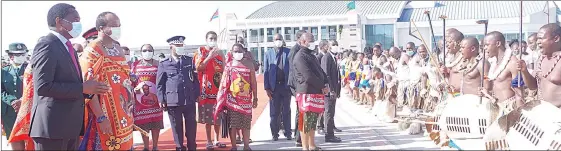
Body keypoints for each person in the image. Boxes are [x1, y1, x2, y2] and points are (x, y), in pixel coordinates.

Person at [30, 3, 110, 150]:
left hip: (69, 127)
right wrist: (82, 88)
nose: (78, 24)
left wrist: (90, 89)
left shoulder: (68, 48)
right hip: (52, 129)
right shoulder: (47, 45)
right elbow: (43, 87)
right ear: (59, 21)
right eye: (75, 19)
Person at [78, 11, 137, 150]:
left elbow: (125, 81)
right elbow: (89, 89)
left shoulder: (118, 49)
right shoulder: (92, 51)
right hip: (105, 115)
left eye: (119, 25)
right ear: (100, 28)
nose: (118, 29)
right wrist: (101, 117)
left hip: (124, 113)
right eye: (114, 25)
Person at [157, 36, 200, 151]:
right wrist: (162, 100)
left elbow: (195, 79)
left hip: (189, 99)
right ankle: (180, 147)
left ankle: (192, 147)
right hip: (173, 101)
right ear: (171, 47)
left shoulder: (189, 60)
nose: (181, 47)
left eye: (182, 45)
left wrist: (197, 94)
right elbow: (160, 84)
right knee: (176, 127)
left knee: (191, 126)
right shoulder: (164, 63)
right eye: (178, 46)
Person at [214, 44, 258, 151]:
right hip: (232, 101)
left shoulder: (250, 65)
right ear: (232, 53)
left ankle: (246, 146)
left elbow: (253, 82)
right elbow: (224, 84)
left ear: (244, 51)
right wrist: (221, 100)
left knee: (246, 124)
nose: (237, 53)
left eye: (239, 51)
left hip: (246, 101)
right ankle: (234, 146)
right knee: (232, 124)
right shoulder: (229, 66)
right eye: (235, 51)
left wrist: (255, 98)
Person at [293, 32, 327, 151]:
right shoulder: (300, 56)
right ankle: (305, 147)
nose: (313, 42)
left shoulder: (312, 55)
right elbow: (308, 76)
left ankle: (312, 144)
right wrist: (322, 85)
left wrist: (326, 82)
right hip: (306, 92)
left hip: (315, 91)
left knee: (312, 121)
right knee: (305, 121)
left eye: (313, 40)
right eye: (310, 40)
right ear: (303, 42)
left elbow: (320, 71)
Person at [193, 31, 227, 149]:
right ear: (206, 39)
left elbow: (224, 70)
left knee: (217, 116)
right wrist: (209, 56)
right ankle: (209, 141)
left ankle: (217, 139)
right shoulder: (200, 51)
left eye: (214, 38)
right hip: (205, 90)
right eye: (210, 38)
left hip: (218, 89)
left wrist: (221, 56)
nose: (212, 40)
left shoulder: (220, 52)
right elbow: (198, 67)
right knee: (208, 117)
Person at [479, 31, 524, 118]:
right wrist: (486, 93)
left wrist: (519, 116)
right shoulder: (494, 63)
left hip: (509, 109)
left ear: (498, 43)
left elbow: (519, 93)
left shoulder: (513, 62)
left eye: (487, 45)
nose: (484, 48)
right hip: (496, 107)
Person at [131, 44, 164, 151]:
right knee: (143, 124)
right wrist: (135, 87)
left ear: (153, 52)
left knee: (156, 124)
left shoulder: (158, 64)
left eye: (149, 50)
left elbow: (163, 81)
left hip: (155, 100)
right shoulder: (135, 65)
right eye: (144, 50)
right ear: (141, 52)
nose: (147, 52)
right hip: (140, 101)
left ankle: (155, 146)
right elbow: (130, 80)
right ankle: (146, 147)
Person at [263, 34, 292, 141]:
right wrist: (267, 87)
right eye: (276, 39)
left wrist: (291, 85)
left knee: (286, 111)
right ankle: (275, 133)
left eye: (279, 39)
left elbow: (291, 70)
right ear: (273, 41)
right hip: (273, 88)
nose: (278, 41)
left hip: (285, 86)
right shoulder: (268, 53)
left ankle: (288, 132)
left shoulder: (288, 52)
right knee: (274, 112)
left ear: (282, 40)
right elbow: (265, 72)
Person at [2, 43, 29, 150]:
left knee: (29, 139)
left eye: (23, 54)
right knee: (15, 139)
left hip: (27, 110)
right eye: (17, 54)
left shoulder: (31, 69)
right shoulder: (3, 72)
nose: (21, 56)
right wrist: (12, 101)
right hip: (10, 112)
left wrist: (22, 101)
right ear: (10, 56)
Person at [316, 40, 343, 143]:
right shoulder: (326, 57)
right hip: (329, 92)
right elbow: (326, 75)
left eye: (336, 44)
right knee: (328, 112)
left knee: (331, 113)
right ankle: (329, 135)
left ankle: (331, 133)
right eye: (333, 45)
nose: (335, 47)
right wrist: (330, 90)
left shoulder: (333, 57)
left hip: (334, 90)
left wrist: (337, 90)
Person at [288, 30, 307, 147]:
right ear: (300, 38)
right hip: (297, 85)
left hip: (301, 84)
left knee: (302, 111)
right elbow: (295, 70)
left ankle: (300, 136)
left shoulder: (301, 49)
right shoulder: (295, 50)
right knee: (300, 111)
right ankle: (298, 137)